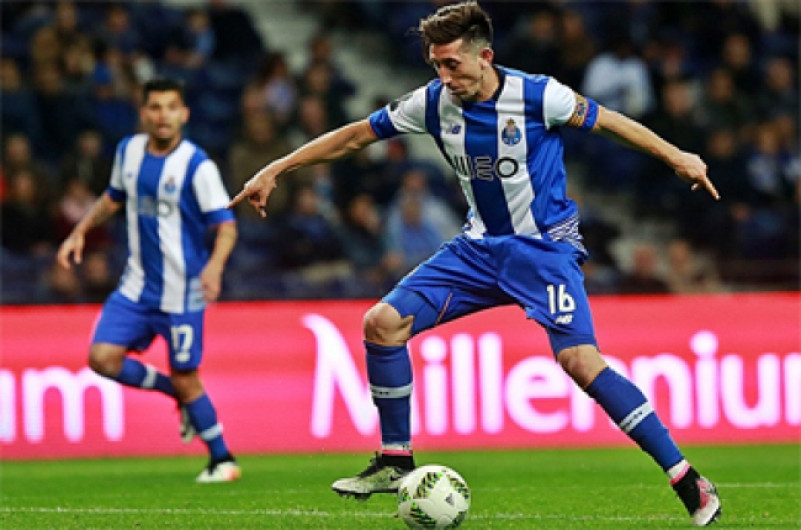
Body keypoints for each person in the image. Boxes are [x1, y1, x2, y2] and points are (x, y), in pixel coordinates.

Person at [229, 2, 721, 525]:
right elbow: (353, 136)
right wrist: (276, 168)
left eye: (452, 65)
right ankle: (396, 460)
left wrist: (677, 156)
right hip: (477, 249)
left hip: (542, 250)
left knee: (580, 361)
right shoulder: (433, 103)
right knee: (381, 324)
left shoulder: (538, 95)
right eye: (436, 65)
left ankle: (686, 478)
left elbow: (612, 123)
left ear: (484, 56)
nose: (444, 76)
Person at [57, 78, 240, 483]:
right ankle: (176, 396)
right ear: (144, 114)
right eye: (155, 107)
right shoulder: (129, 152)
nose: (162, 116)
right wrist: (80, 231)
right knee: (102, 358)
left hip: (183, 294)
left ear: (184, 114)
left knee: (187, 376)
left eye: (171, 107)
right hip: (136, 288)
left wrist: (214, 267)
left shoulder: (197, 166)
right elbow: (112, 198)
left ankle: (222, 460)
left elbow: (226, 225)